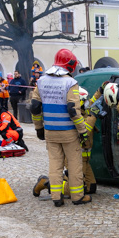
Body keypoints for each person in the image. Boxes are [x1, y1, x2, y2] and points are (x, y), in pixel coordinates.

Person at [32, 49, 90, 206]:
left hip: (50, 130)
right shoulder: (70, 83)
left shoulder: (41, 81)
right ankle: (77, 197)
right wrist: (82, 131)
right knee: (74, 164)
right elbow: (73, 110)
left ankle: (56, 197)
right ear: (70, 65)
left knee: (55, 164)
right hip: (68, 132)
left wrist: (39, 128)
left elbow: (35, 107)